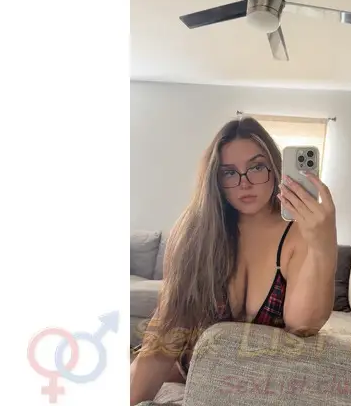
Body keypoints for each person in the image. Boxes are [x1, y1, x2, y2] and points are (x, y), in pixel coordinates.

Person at [130, 116, 338, 405]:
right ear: (215, 180)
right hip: (193, 370)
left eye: (256, 167)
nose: (245, 183)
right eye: (229, 172)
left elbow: (302, 325)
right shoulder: (194, 231)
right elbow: (168, 328)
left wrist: (323, 246)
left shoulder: (299, 234)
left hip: (260, 384)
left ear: (275, 168)